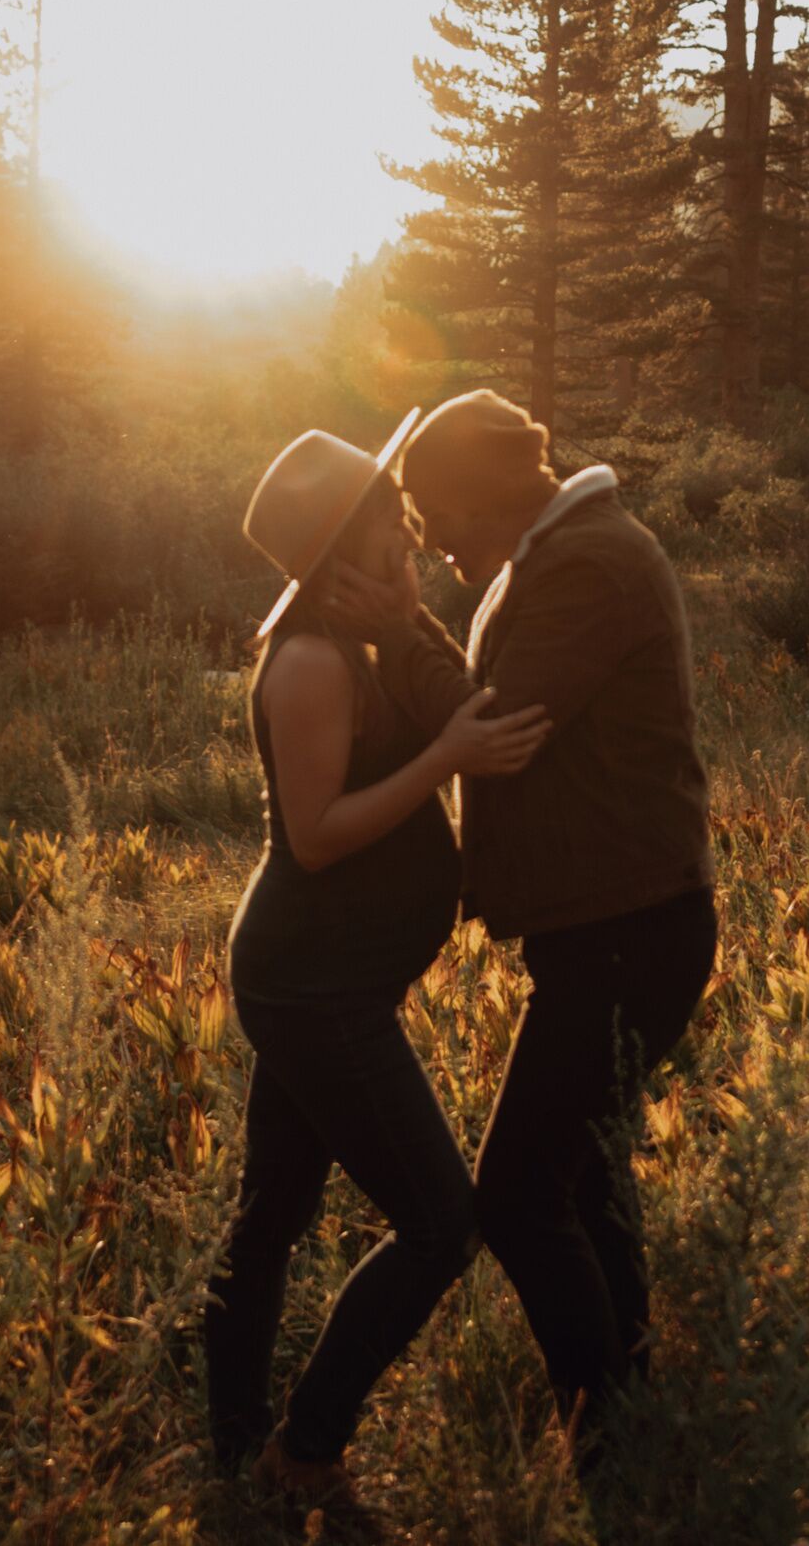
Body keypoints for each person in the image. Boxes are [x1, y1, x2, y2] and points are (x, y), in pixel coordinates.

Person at [200, 413, 551, 1519]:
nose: (409, 535)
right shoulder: (308, 663)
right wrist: (445, 763)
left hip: (334, 980)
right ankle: (302, 1445)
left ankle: (230, 1444)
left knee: (273, 1209)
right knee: (443, 1223)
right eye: (388, 529)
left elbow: (458, 700)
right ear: (340, 554)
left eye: (406, 522)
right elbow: (316, 835)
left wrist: (410, 630)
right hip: (309, 984)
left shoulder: (372, 639)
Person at [368, 388, 713, 1471]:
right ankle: (631, 1412)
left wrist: (394, 622)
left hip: (629, 934)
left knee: (517, 1199)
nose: (430, 540)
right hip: (613, 928)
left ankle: (604, 1442)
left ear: (492, 493)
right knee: (583, 1179)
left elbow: (494, 730)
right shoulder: (562, 554)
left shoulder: (587, 565)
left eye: (435, 515)